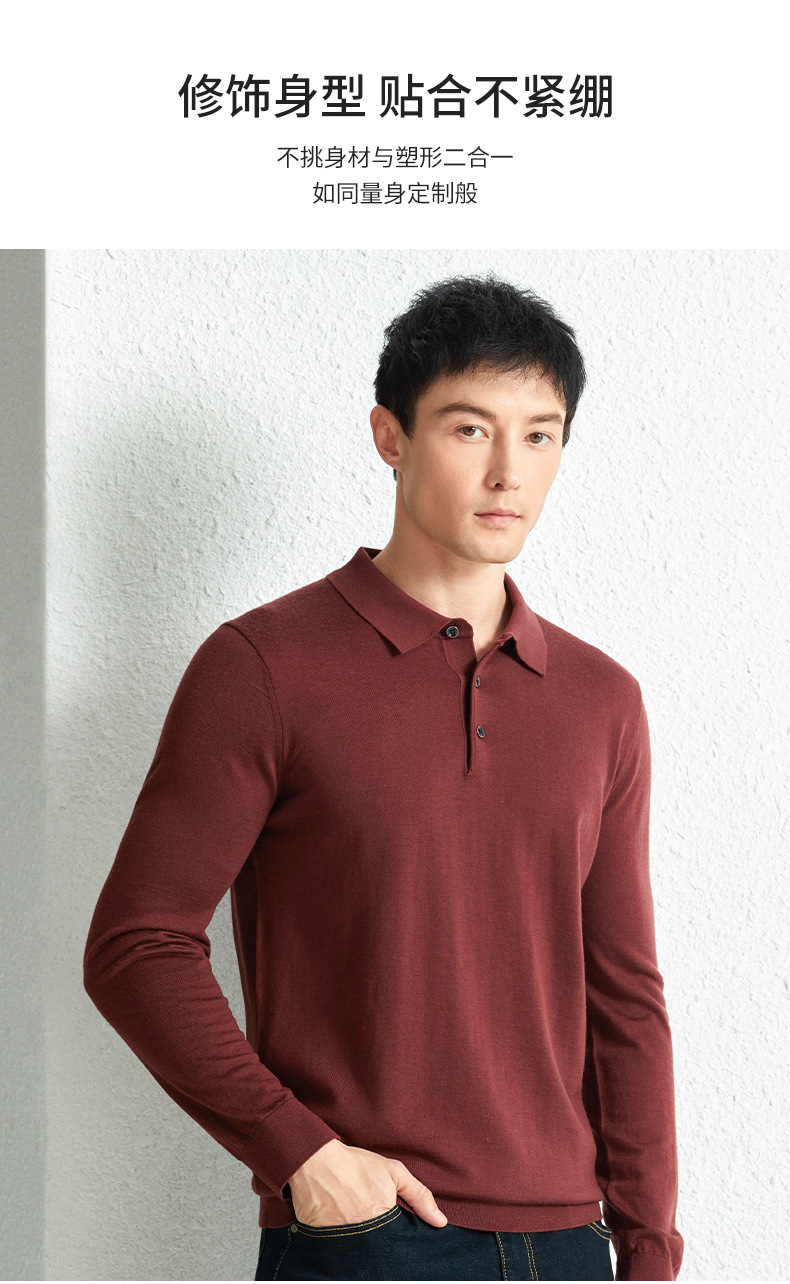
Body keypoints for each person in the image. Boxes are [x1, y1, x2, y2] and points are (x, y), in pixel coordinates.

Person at [83, 273, 684, 1282]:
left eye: (540, 435)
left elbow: (623, 994)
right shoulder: (263, 666)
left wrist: (651, 1252)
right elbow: (137, 946)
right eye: (469, 428)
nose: (508, 471)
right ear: (390, 436)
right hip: (368, 1236)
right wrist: (302, 1155)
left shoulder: (601, 699)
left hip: (572, 1245)